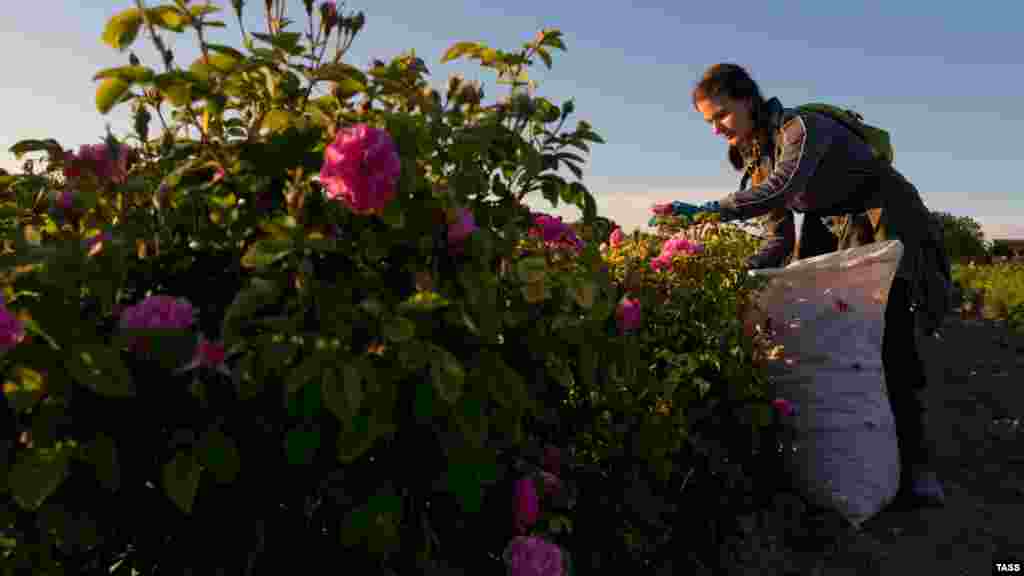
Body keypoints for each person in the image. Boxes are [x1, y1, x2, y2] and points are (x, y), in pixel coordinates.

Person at [670, 63, 951, 507]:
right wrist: (739, 274)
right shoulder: (757, 160)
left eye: (721, 115)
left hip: (884, 215)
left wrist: (707, 210)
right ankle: (860, 447)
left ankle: (918, 466)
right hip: (835, 223)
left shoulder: (802, 129)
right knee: (836, 326)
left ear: (747, 100)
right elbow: (778, 237)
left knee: (890, 330)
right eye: (708, 121)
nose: (716, 129)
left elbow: (783, 190)